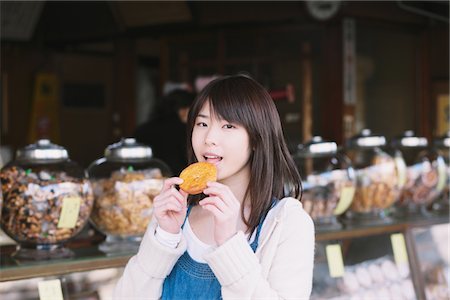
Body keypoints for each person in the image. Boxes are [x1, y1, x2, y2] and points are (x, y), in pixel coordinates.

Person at [114, 74, 315, 299]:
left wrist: (229, 244)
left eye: (228, 126)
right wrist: (165, 237)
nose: (209, 137)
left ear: (257, 139)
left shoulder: (287, 223)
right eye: (202, 123)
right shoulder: (176, 214)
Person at [134, 89, 195, 175]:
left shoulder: (143, 129)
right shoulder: (183, 130)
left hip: (144, 180)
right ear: (183, 111)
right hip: (176, 181)